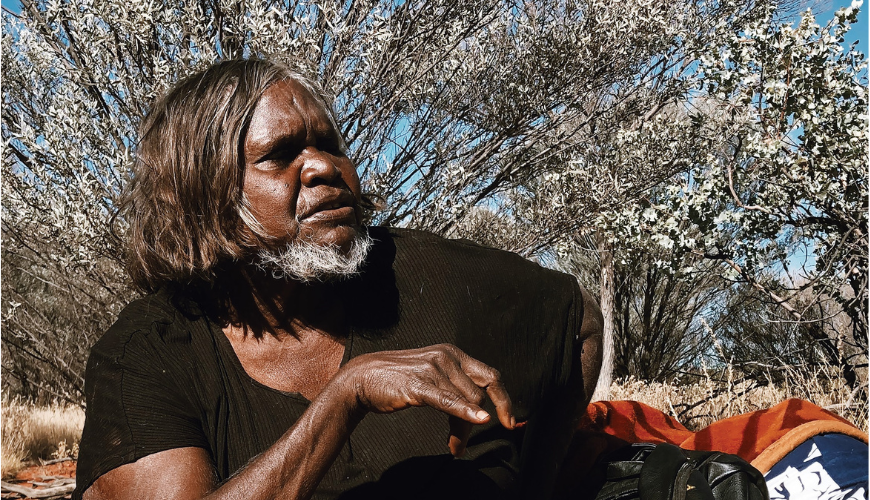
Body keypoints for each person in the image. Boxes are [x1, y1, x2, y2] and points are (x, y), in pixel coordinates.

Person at [74, 58, 603, 500]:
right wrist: (347, 395)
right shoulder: (150, 352)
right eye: (280, 156)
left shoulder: (418, 273)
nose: (324, 168)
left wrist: (537, 485)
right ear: (203, 193)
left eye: (330, 146)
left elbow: (577, 321)